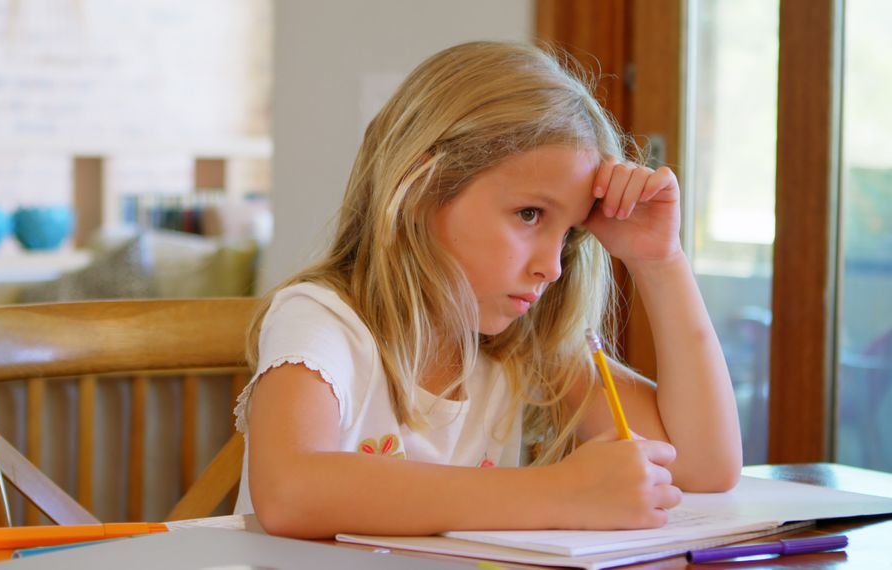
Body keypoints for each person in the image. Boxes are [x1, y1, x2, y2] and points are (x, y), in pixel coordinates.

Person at [232, 41, 742, 538]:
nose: (552, 266)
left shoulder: (522, 345)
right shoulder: (322, 320)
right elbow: (289, 491)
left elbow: (703, 466)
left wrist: (660, 261)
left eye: (569, 234)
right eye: (529, 214)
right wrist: (559, 492)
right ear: (420, 183)